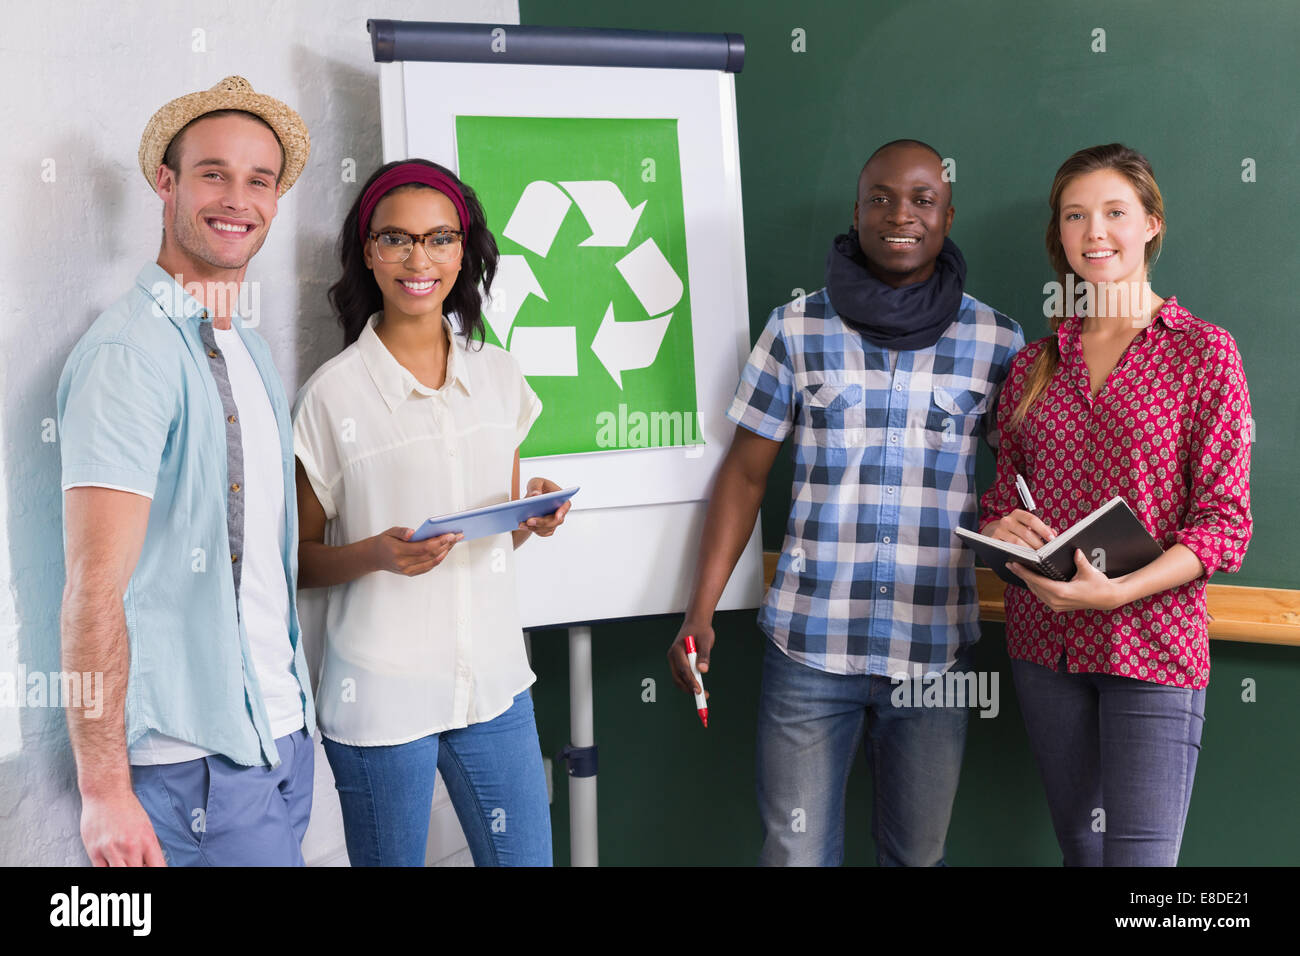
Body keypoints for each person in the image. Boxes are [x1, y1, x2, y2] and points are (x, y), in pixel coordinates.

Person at [668, 140, 1024, 865]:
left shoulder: (997, 339)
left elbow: (1022, 486)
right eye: (881, 198)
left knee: (916, 858)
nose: (901, 214)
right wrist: (699, 611)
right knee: (794, 855)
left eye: (922, 200)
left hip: (933, 654)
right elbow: (743, 477)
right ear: (856, 213)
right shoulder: (796, 328)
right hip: (809, 649)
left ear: (948, 215)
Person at [57, 77, 317, 866]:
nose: (237, 198)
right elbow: (92, 586)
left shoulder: (251, 349)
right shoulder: (130, 354)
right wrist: (104, 789)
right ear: (165, 184)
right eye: (213, 173)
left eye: (259, 180)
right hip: (189, 768)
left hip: (277, 739)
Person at [979, 143, 1253, 866]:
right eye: (1075, 215)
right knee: (1082, 851)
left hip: (1153, 644)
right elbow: (1002, 497)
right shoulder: (1034, 364)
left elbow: (1225, 523)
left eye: (1113, 212)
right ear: (1059, 235)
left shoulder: (1204, 353)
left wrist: (1119, 592)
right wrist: (1001, 526)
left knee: (1141, 865)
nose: (1094, 232)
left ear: (1152, 225)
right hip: (1046, 645)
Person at [292, 159, 566, 867]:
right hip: (380, 699)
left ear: (465, 251)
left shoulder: (499, 375)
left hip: (496, 686)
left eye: (442, 239)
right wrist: (377, 555)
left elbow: (497, 531)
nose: (421, 259)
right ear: (368, 252)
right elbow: (295, 560)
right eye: (397, 239)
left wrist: (530, 518)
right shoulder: (331, 397)